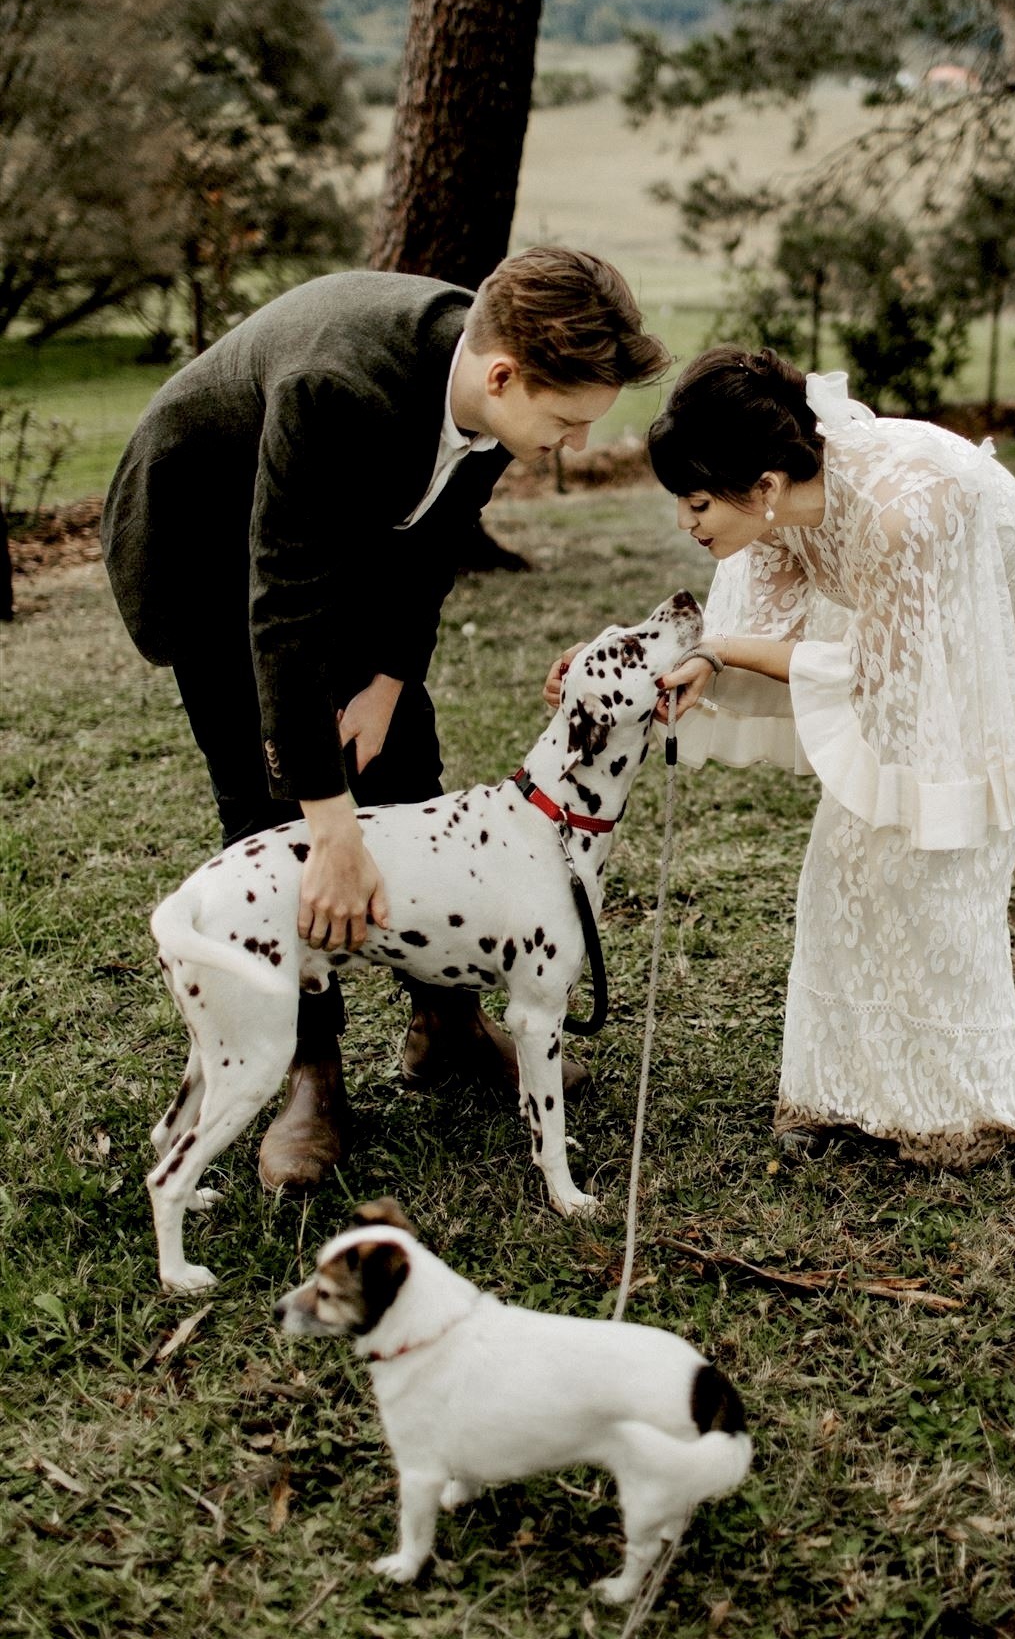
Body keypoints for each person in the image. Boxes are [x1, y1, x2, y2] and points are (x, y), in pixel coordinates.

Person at [104, 249, 669, 1192]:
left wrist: (388, 679)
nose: (571, 443)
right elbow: (279, 605)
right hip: (206, 548)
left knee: (407, 762)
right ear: (502, 376)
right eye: (567, 421)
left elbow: (432, 546)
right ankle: (310, 1076)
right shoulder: (339, 387)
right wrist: (328, 829)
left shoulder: (493, 409)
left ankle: (445, 1024)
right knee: (273, 811)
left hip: (348, 530)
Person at [642, 347, 1015, 1166]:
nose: (686, 524)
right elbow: (764, 628)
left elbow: (876, 673)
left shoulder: (904, 510)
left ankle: (966, 1111)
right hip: (924, 645)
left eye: (694, 503)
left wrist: (724, 651)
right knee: (845, 857)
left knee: (934, 857)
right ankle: (846, 1095)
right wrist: (679, 657)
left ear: (761, 488)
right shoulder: (782, 496)